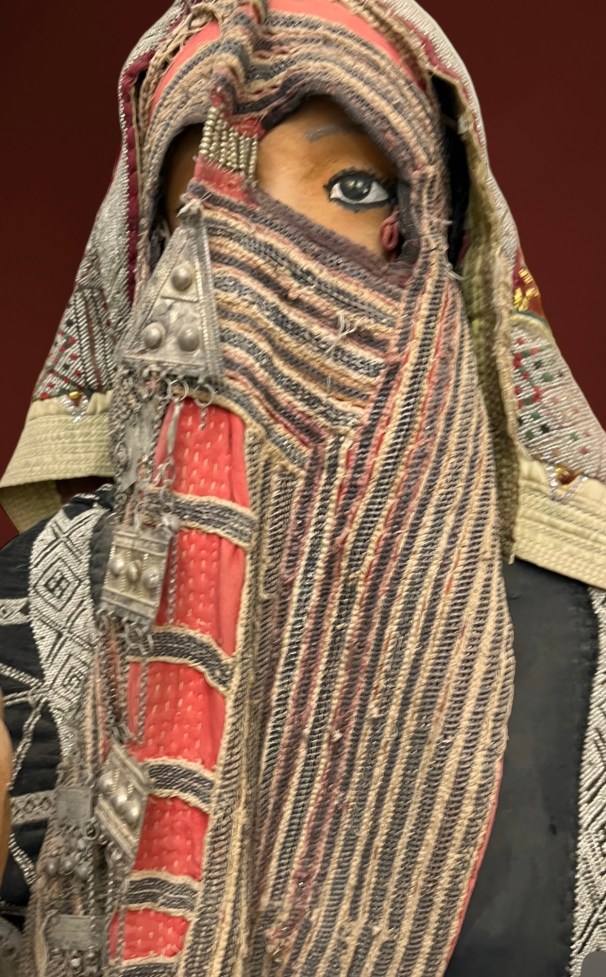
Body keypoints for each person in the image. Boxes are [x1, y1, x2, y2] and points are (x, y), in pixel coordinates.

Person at [0, 1, 604, 974]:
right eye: (203, 207)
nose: (253, 263)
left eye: (353, 188)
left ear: (437, 239)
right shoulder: (38, 616)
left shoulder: (586, 644)